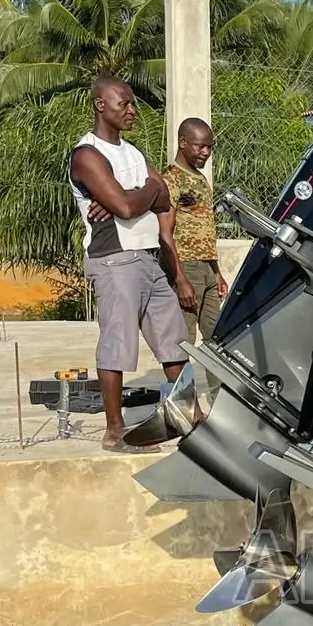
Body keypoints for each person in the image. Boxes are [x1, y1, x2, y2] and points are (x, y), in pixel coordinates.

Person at [68, 75, 190, 452]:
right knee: (117, 343)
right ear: (100, 105)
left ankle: (188, 415)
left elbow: (164, 198)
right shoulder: (87, 155)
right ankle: (115, 431)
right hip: (115, 259)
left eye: (132, 103)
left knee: (174, 341)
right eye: (124, 104)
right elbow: (125, 207)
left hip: (150, 256)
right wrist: (139, 194)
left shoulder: (134, 153)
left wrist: (137, 195)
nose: (133, 110)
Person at [161, 117, 228, 343]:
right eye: (200, 146)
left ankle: (216, 372)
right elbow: (164, 232)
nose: (206, 152)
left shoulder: (200, 178)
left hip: (207, 267)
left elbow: (205, 230)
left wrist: (217, 273)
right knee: (184, 338)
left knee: (216, 338)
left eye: (209, 147)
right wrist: (180, 279)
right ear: (183, 142)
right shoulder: (172, 179)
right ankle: (181, 371)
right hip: (186, 266)